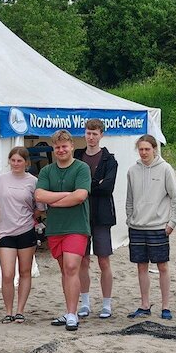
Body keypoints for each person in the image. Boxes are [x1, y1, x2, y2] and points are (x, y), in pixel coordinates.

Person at [35, 130, 91, 331]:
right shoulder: (47, 171)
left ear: (72, 147)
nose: (61, 150)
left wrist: (56, 200)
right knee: (64, 271)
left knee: (71, 267)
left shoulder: (81, 168)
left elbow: (81, 196)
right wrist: (66, 195)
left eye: (64, 146)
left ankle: (73, 314)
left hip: (76, 226)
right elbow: (39, 195)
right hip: (55, 228)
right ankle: (69, 310)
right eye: (57, 147)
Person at [124, 134, 176, 320]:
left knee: (162, 266)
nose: (143, 152)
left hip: (159, 227)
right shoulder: (132, 171)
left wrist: (172, 224)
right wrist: (130, 219)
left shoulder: (165, 169)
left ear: (154, 149)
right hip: (137, 227)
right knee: (141, 267)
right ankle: (144, 304)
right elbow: (129, 199)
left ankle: (166, 306)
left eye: (147, 149)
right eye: (140, 149)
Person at [0, 146, 39, 323]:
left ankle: (20, 310)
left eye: (20, 161)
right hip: (5, 232)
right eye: (13, 160)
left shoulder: (33, 181)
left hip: (26, 230)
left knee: (25, 271)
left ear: (26, 162)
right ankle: (8, 311)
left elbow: (39, 208)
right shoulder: (1, 180)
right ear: (9, 161)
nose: (16, 164)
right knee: (7, 273)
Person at [74, 118, 118, 319]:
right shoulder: (77, 155)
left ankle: (106, 303)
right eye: (88, 133)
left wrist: (87, 185)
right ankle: (85, 302)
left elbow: (107, 187)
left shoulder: (110, 160)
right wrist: (94, 183)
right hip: (80, 214)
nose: (91, 137)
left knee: (104, 261)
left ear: (101, 135)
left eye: (95, 134)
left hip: (101, 215)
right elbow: (72, 184)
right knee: (82, 260)